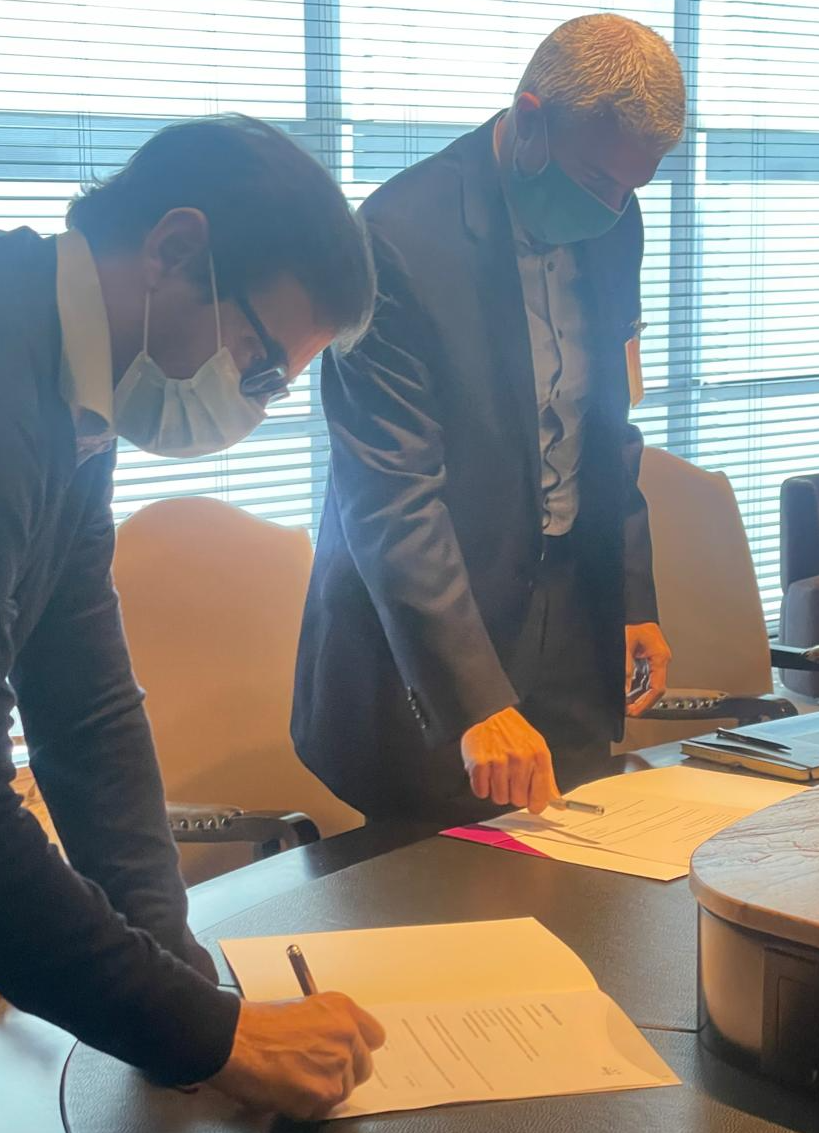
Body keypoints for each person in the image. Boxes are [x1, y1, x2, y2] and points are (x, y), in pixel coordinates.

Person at [0, 115, 383, 1122]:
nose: (254, 405)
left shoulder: (70, 379)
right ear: (176, 250)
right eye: (258, 365)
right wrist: (206, 1031)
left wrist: (181, 980)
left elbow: (87, 704)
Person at [292, 15, 685, 825]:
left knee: (580, 864)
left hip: (571, 616)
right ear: (530, 119)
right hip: (429, 640)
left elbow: (607, 420)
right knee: (439, 885)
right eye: (597, 180)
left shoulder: (615, 220)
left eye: (633, 189)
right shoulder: (396, 239)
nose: (614, 207)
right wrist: (475, 698)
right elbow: (391, 495)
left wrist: (631, 596)